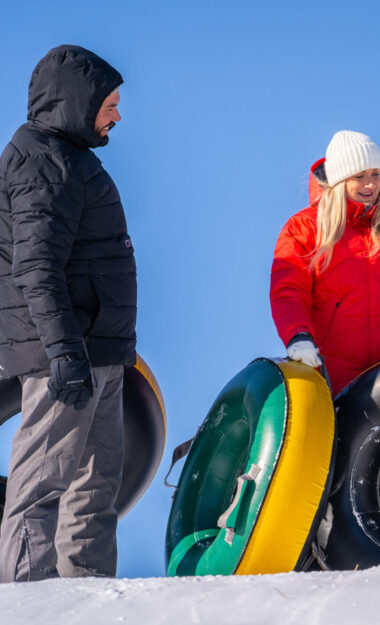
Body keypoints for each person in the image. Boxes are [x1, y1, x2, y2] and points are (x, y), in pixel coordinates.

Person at [0, 45, 136, 582]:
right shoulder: (43, 161)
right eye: (110, 105)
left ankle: (88, 602)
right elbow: (35, 264)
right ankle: (27, 603)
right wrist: (62, 350)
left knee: (95, 488)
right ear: (77, 104)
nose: (117, 116)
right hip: (68, 350)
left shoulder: (69, 157)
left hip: (98, 347)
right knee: (42, 485)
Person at [270, 130, 380, 519]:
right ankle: (315, 565)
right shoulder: (305, 229)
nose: (369, 185)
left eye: (375, 175)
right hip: (332, 375)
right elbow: (288, 289)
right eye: (359, 177)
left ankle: (376, 562)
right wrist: (298, 336)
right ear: (340, 178)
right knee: (333, 481)